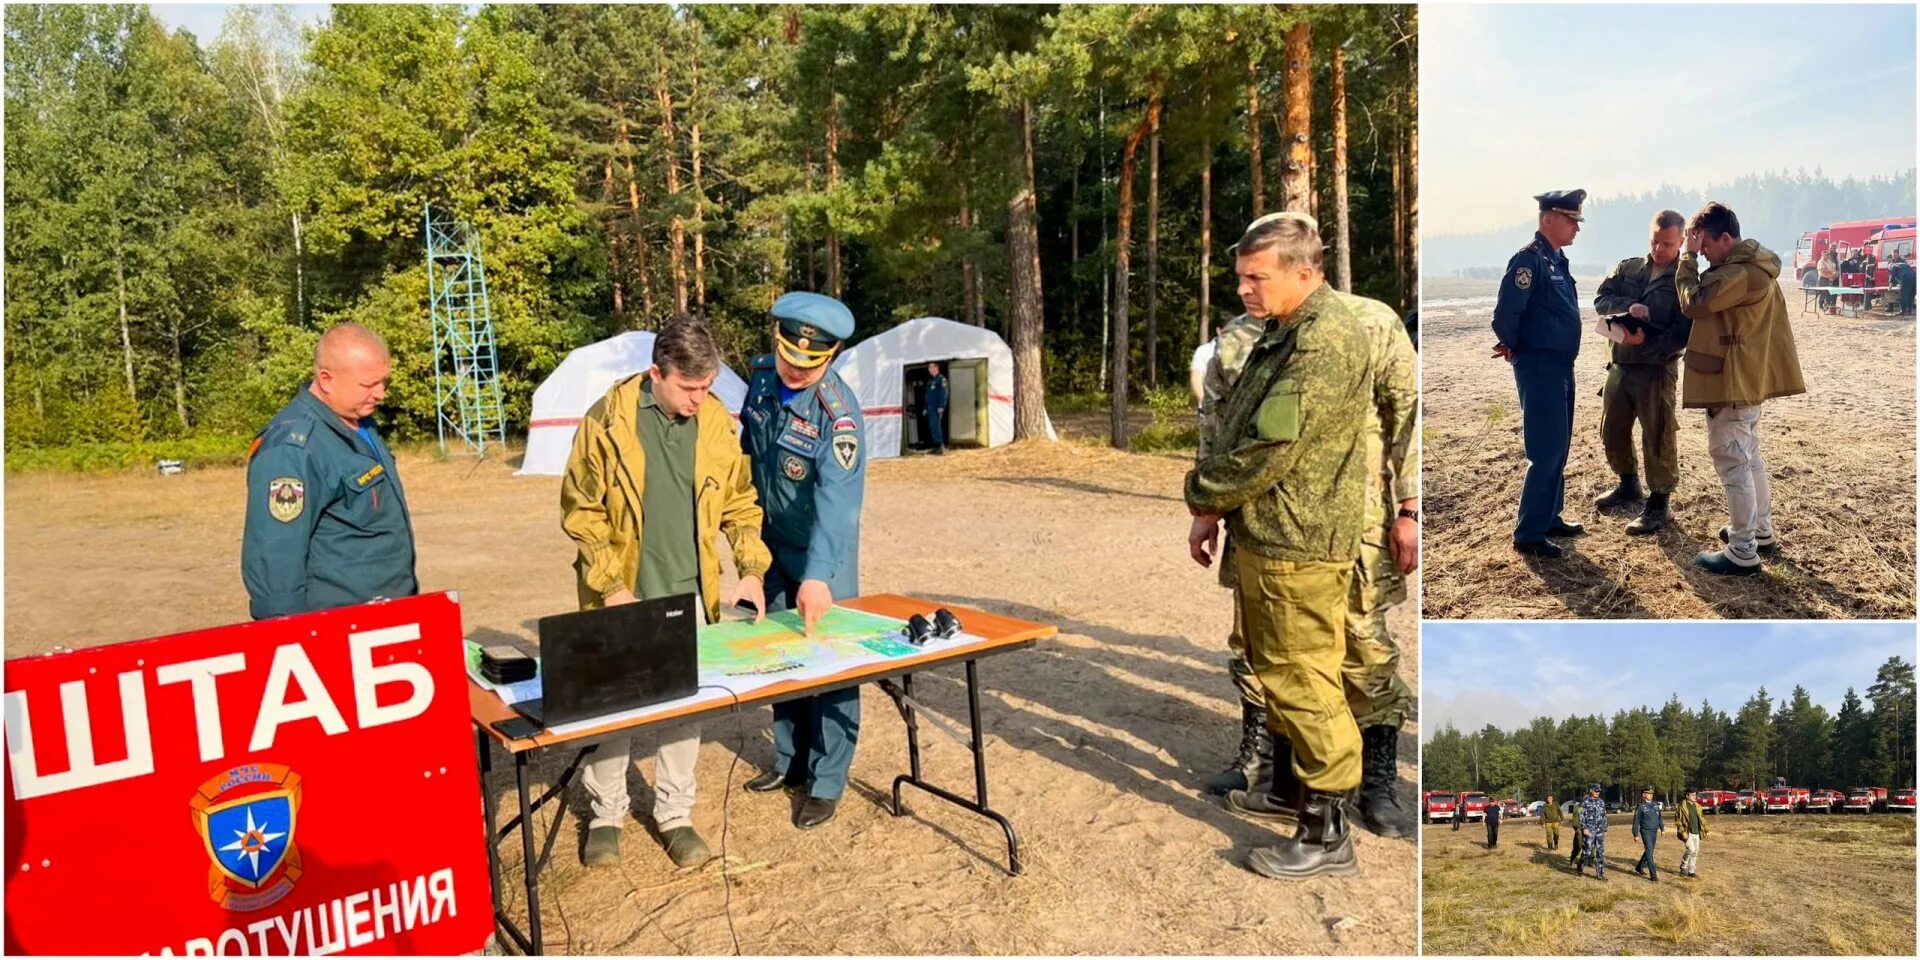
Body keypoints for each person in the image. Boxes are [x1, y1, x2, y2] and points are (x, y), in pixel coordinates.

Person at [1193, 212, 1420, 845]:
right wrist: (1209, 509)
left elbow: (1407, 417)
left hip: (1356, 519)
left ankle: (1375, 781)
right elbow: (1218, 429)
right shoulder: (1243, 338)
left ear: (1305, 266)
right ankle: (1270, 767)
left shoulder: (1364, 325)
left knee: (1362, 648)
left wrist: (1411, 508)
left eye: (1256, 275)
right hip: (1265, 519)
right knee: (1267, 645)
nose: (1245, 288)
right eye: (1241, 275)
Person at [561, 315, 773, 869]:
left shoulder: (718, 425)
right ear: (657, 372)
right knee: (618, 711)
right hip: (622, 593)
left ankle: (674, 814)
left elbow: (740, 502)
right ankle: (606, 814)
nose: (700, 399)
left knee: (683, 712)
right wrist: (609, 587)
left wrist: (750, 568)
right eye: (689, 387)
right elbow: (582, 512)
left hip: (691, 594)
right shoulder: (606, 422)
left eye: (708, 387)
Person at [739, 292, 868, 830]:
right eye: (787, 355)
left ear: (831, 357)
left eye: (808, 362)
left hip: (822, 555)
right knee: (780, 657)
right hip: (771, 547)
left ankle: (826, 780)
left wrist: (817, 576)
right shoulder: (764, 379)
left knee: (830, 666)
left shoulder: (839, 418)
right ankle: (789, 762)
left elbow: (839, 506)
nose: (794, 368)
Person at [243, 323, 417, 620]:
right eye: (369, 385)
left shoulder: (359, 422)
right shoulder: (293, 449)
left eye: (383, 382)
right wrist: (289, 639)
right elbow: (275, 559)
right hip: (336, 626)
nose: (381, 394)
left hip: (384, 617)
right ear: (326, 379)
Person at [1676, 201, 1806, 575]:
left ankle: (1743, 549)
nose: (1702, 253)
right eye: (1697, 248)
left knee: (1733, 462)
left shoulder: (1738, 274)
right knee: (1749, 459)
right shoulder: (1753, 268)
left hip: (1732, 382)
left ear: (1726, 238)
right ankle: (1758, 531)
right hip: (1745, 380)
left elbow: (1694, 302)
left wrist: (1686, 261)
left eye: (1705, 245)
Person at [1492, 190, 1588, 558]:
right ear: (1548, 219)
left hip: (1561, 364)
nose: (1576, 228)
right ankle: (1529, 533)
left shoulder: (1557, 259)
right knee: (1546, 450)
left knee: (1559, 446)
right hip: (1541, 366)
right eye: (1570, 220)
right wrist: (1516, 346)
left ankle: (1550, 516)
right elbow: (1505, 315)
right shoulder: (1528, 261)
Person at [1591, 210, 1692, 534]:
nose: (1659, 249)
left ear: (1681, 241)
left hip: (1656, 369)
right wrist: (1626, 308)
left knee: (1658, 435)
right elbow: (1601, 299)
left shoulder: (1684, 281)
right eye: (1654, 241)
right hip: (1620, 364)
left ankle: (1659, 503)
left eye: (1667, 243)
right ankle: (1628, 483)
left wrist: (1646, 340)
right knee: (1613, 430)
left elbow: (1683, 333)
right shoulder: (1629, 268)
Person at [1631, 785, 1662, 881]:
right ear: (1644, 795)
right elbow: (1636, 821)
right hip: (1645, 831)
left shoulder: (1656, 805)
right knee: (1649, 852)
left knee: (1649, 851)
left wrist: (1662, 828)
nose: (1651, 795)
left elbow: (1659, 818)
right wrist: (1635, 834)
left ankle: (1639, 867)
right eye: (1649, 793)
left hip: (1654, 831)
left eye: (1652, 793)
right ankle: (1653, 874)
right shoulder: (1640, 807)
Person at [1577, 783, 1608, 880]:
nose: (1597, 793)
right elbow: (1581, 815)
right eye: (1596, 791)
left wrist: (1605, 828)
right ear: (1591, 791)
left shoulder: (1601, 802)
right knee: (1587, 851)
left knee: (1600, 852)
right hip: (1589, 830)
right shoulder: (1585, 801)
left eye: (1599, 791)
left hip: (1599, 830)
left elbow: (1604, 816)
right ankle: (1580, 865)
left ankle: (1600, 874)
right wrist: (1584, 828)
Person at [1676, 788, 1706, 878]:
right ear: (1687, 796)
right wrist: (1681, 830)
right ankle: (1683, 866)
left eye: (1695, 795)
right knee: (1691, 849)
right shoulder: (1682, 806)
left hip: (1696, 832)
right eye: (1692, 795)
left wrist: (1705, 828)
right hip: (1687, 832)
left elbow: (1701, 819)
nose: (1694, 796)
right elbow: (1678, 820)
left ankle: (1691, 871)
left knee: (1695, 852)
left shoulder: (1698, 806)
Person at [923, 362, 949, 455]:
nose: (929, 369)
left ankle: (941, 447)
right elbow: (927, 396)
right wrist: (925, 407)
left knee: (936, 426)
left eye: (931, 367)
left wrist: (942, 406)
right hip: (930, 408)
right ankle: (935, 446)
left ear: (936, 368)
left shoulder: (941, 379)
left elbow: (944, 393)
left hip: (936, 407)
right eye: (929, 368)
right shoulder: (930, 381)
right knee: (932, 427)